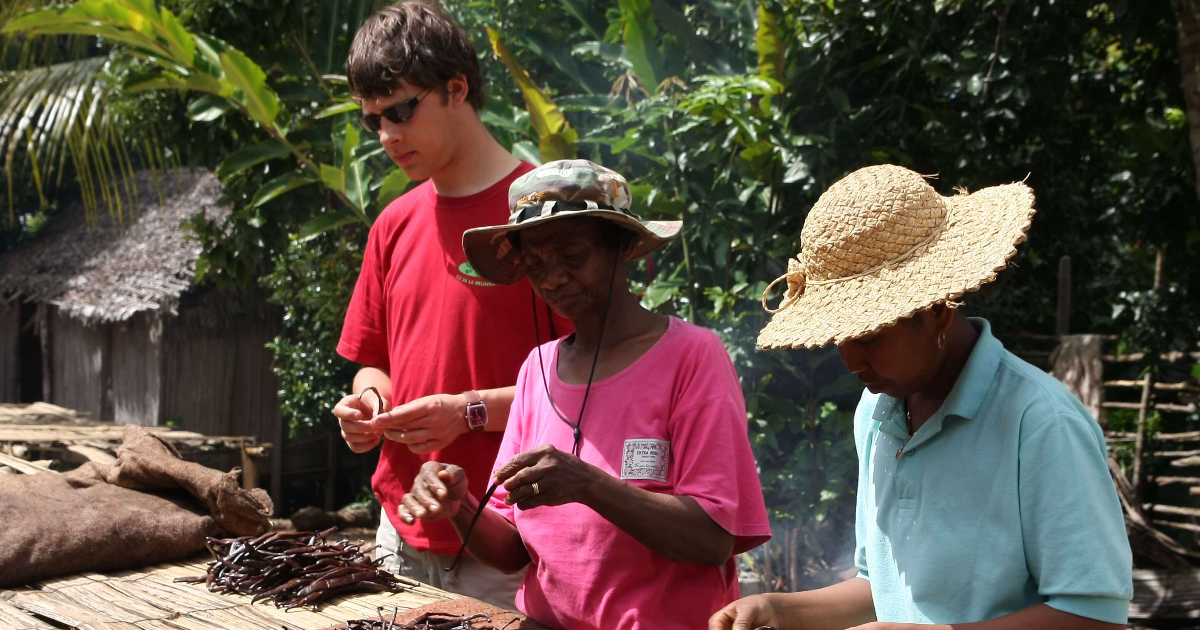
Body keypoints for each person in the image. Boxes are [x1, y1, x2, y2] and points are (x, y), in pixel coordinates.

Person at [712, 165, 1132, 630]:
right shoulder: (875, 413)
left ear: (936, 311)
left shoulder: (1041, 422)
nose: (849, 361)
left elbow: (1095, 616)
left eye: (868, 335)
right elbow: (883, 588)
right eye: (839, 337)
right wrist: (779, 608)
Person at [398, 160, 771, 629]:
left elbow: (713, 538)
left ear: (622, 245)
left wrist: (589, 484)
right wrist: (461, 506)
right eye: (534, 263)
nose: (552, 278)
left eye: (573, 256)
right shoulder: (538, 370)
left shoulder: (692, 356)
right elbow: (513, 547)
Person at [332, 0, 569, 608]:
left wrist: (467, 412)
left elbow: (600, 383)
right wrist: (370, 404)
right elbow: (372, 360)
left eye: (400, 111)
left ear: (456, 88)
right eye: (372, 121)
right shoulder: (392, 224)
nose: (386, 135)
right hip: (399, 532)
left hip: (514, 540)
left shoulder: (549, 215)